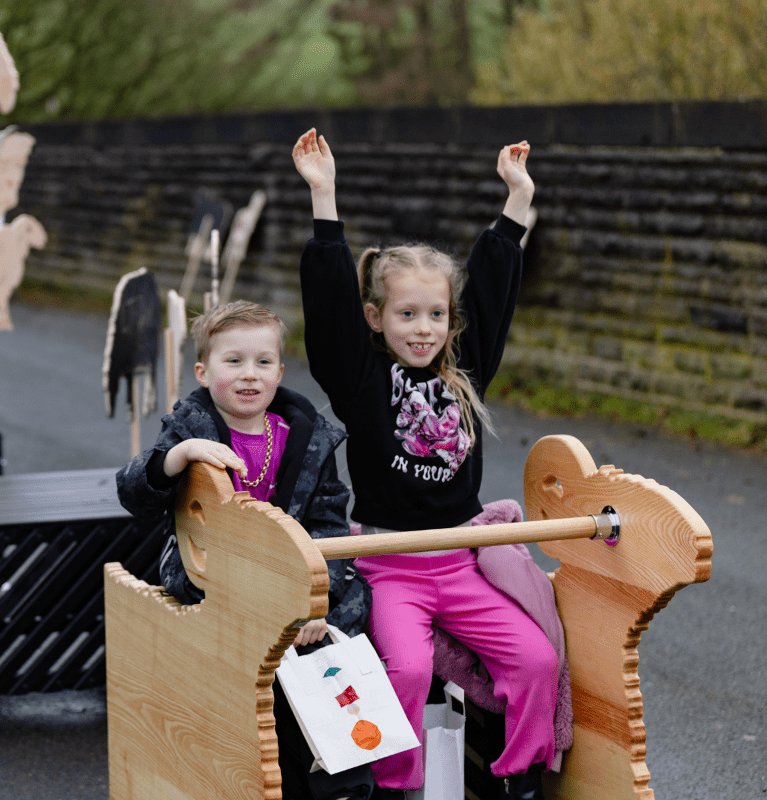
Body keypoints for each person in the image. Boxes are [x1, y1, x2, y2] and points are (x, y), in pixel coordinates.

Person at [292, 128, 556, 800]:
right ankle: (395, 785)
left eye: (436, 314)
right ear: (376, 317)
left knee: (537, 659)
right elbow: (327, 309)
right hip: (391, 566)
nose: (423, 328)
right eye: (407, 313)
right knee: (406, 671)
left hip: (462, 563)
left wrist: (517, 200)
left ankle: (521, 776)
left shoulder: (465, 372)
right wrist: (324, 196)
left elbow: (493, 288)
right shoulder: (359, 379)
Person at [115, 300, 374, 800]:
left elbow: (328, 524)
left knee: (334, 642)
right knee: (257, 674)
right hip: (215, 577)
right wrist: (179, 456)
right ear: (204, 371)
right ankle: (270, 775)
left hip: (294, 578)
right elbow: (133, 494)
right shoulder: (191, 429)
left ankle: (344, 777)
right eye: (233, 361)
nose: (249, 374)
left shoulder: (307, 438)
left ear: (279, 373)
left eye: (262, 362)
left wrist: (315, 601)